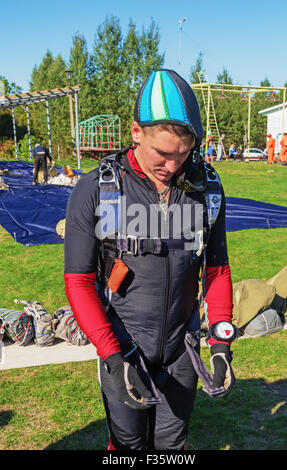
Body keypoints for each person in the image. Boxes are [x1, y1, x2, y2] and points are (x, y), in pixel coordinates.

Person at [64, 69, 236, 451]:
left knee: (173, 445)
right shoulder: (98, 190)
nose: (172, 167)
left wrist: (221, 342)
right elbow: (78, 281)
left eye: (183, 153)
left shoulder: (205, 188)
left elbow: (217, 270)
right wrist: (112, 354)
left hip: (182, 347)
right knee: (127, 446)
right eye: (162, 153)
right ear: (136, 132)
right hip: (124, 344)